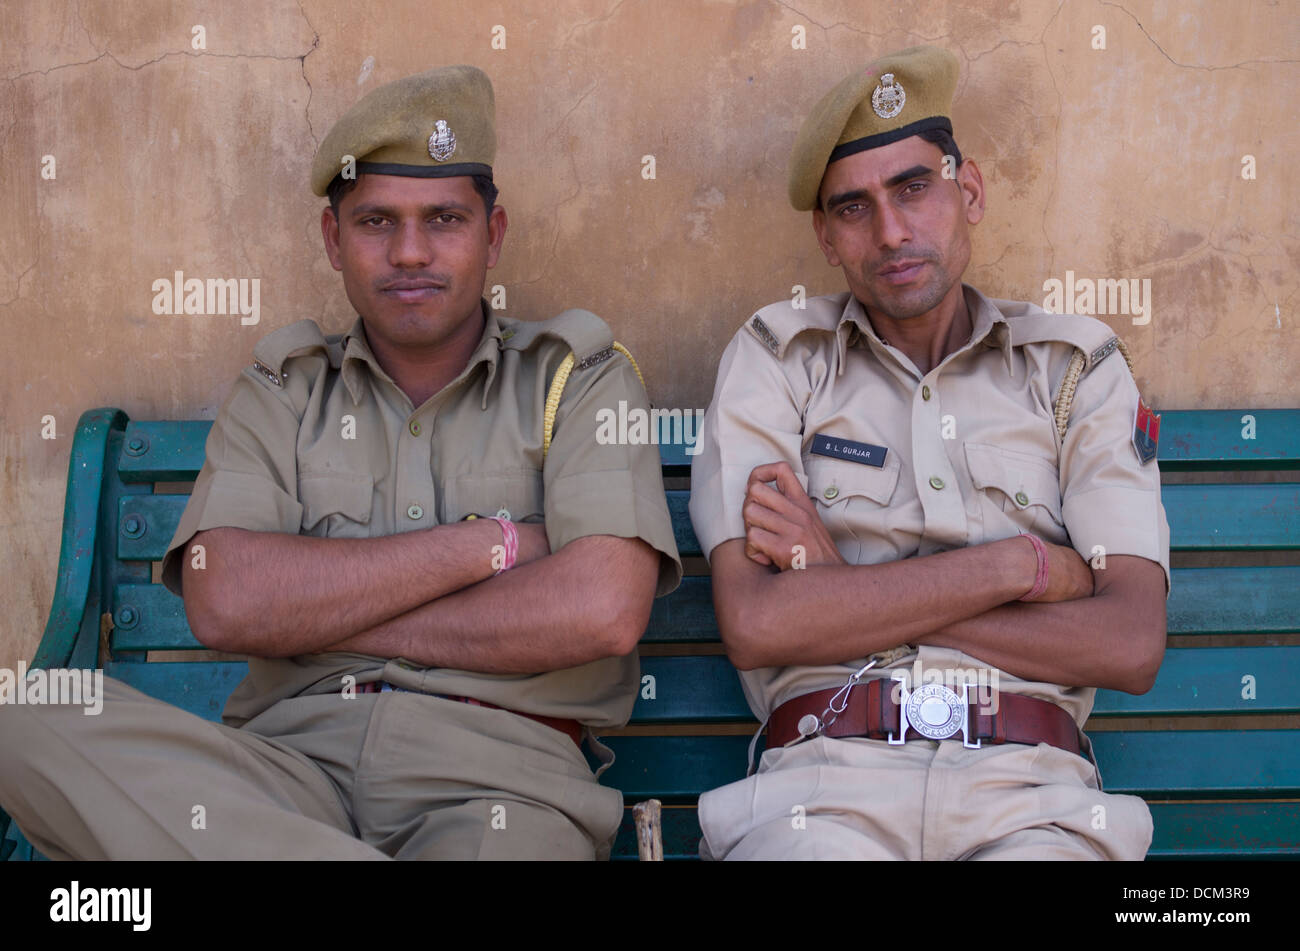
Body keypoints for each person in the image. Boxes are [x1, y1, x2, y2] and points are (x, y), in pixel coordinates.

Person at [0, 64, 681, 860]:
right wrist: (486, 546)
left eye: (445, 219)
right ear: (333, 239)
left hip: (500, 783)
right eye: (375, 222)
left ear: (493, 235)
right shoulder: (284, 390)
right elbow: (225, 599)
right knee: (33, 712)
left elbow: (602, 607)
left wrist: (326, 611)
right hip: (281, 777)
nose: (411, 252)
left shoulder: (579, 377)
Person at [688, 45, 1170, 860]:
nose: (891, 230)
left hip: (1032, 799)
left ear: (968, 190)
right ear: (827, 237)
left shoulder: (1073, 366)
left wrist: (840, 591)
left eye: (914, 187)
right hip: (823, 793)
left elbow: (1127, 641)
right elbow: (759, 621)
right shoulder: (777, 358)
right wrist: (1018, 568)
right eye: (853, 208)